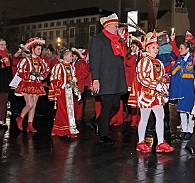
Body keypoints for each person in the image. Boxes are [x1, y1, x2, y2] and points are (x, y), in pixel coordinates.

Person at [128, 30, 174, 153]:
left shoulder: (158, 62)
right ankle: (141, 142)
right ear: (147, 48)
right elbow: (141, 77)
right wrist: (155, 85)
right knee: (145, 118)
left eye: (157, 48)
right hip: (146, 95)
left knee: (161, 117)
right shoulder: (144, 61)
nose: (156, 50)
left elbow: (162, 77)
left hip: (157, 96)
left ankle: (160, 142)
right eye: (153, 48)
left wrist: (164, 87)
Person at [88, 13, 127, 145]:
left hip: (115, 79)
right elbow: (94, 61)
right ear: (109, 25)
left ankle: (97, 122)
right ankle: (104, 133)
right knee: (107, 105)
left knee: (115, 105)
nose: (117, 28)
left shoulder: (116, 40)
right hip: (105, 79)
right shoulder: (97, 40)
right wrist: (96, 79)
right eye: (116, 25)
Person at [15, 37, 50, 132]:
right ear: (32, 49)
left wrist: (42, 77)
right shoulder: (26, 60)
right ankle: (20, 118)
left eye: (40, 49)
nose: (40, 51)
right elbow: (20, 70)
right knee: (29, 104)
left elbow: (47, 69)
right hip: (27, 83)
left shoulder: (41, 61)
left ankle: (30, 124)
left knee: (34, 105)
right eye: (38, 49)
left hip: (36, 83)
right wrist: (29, 76)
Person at [49, 49, 81, 138]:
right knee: (62, 111)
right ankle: (62, 129)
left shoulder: (71, 67)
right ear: (65, 56)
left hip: (69, 92)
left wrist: (76, 90)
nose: (72, 57)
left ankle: (65, 129)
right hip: (62, 92)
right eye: (70, 56)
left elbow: (73, 79)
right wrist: (63, 85)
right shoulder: (59, 66)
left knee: (69, 111)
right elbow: (54, 78)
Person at [169, 42, 195, 140]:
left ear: (188, 49)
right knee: (182, 110)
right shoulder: (180, 59)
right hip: (181, 88)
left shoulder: (193, 59)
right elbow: (174, 71)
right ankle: (184, 129)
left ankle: (190, 129)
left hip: (190, 87)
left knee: (191, 110)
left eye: (181, 48)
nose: (179, 50)